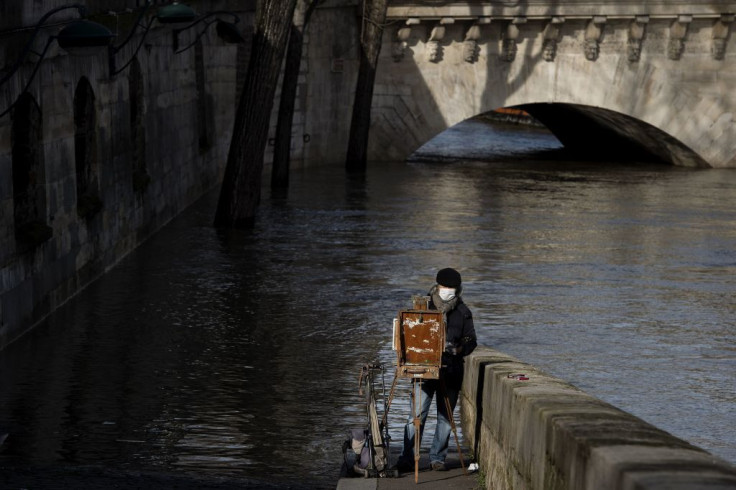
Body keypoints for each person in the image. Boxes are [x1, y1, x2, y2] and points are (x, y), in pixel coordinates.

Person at [396, 268, 477, 472]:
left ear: (457, 289)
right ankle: (407, 457)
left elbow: (471, 341)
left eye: (452, 288)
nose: (448, 290)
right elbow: (409, 333)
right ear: (438, 286)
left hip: (451, 370)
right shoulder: (423, 306)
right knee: (416, 415)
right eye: (445, 287)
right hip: (423, 370)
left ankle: (437, 458)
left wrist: (458, 349)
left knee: (445, 418)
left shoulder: (463, 312)